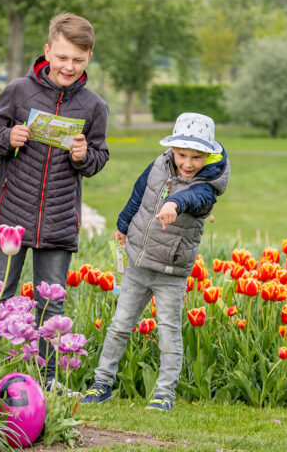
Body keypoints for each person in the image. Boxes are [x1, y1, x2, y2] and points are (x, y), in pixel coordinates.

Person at [0, 12, 109, 390]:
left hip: (58, 220)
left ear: (88, 59)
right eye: (63, 57)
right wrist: (8, 137)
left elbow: (98, 159)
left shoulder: (93, 106)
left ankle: (48, 379)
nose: (69, 67)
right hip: (10, 215)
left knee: (51, 306)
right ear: (48, 50)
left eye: (78, 60)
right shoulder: (19, 91)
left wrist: (85, 155)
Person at [81, 112, 230, 411]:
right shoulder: (159, 166)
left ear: (209, 154)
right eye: (181, 154)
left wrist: (174, 203)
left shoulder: (208, 186)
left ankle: (164, 394)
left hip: (170, 271)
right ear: (172, 149)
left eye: (196, 157)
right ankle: (101, 384)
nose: (187, 163)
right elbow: (139, 194)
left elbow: (194, 199)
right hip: (137, 263)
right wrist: (123, 225)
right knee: (120, 325)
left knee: (168, 331)